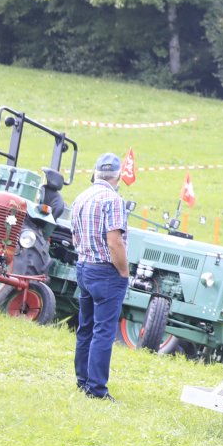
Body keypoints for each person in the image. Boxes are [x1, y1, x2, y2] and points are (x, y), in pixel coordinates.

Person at [71, 152, 130, 400]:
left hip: (84, 266)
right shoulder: (113, 200)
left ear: (95, 173)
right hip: (106, 271)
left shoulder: (81, 197)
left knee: (85, 327)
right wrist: (124, 271)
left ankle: (82, 380)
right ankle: (96, 389)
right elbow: (114, 241)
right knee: (104, 331)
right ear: (118, 177)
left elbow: (74, 235)